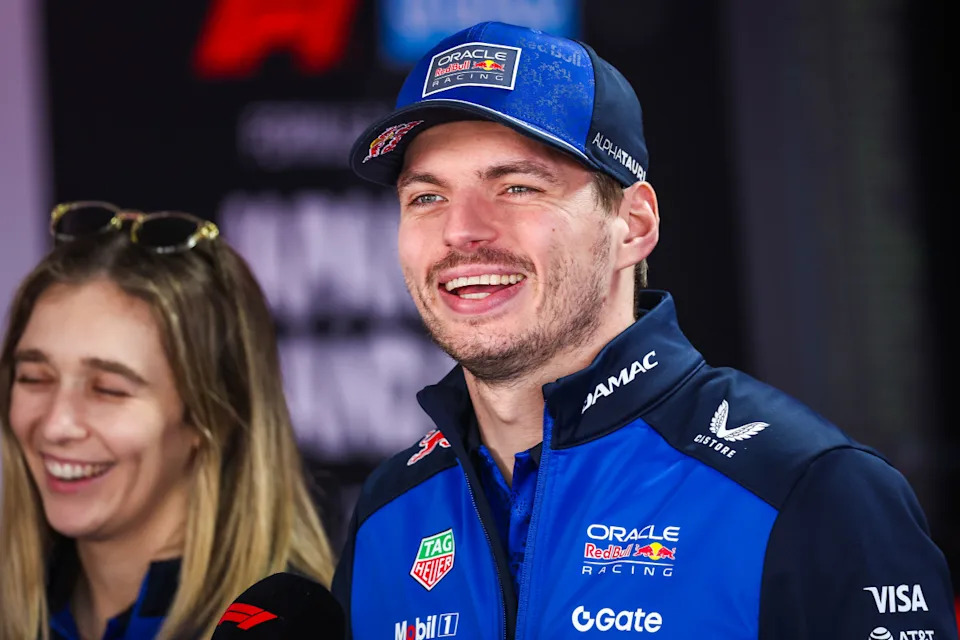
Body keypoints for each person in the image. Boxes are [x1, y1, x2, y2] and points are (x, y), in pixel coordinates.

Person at [331, 21, 958, 639]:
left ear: (633, 224)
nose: (461, 230)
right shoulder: (391, 512)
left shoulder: (806, 488)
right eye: (427, 198)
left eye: (518, 187)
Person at [0, 202, 335, 640]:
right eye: (34, 378)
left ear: (212, 414)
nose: (57, 424)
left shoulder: (292, 629)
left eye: (108, 389)